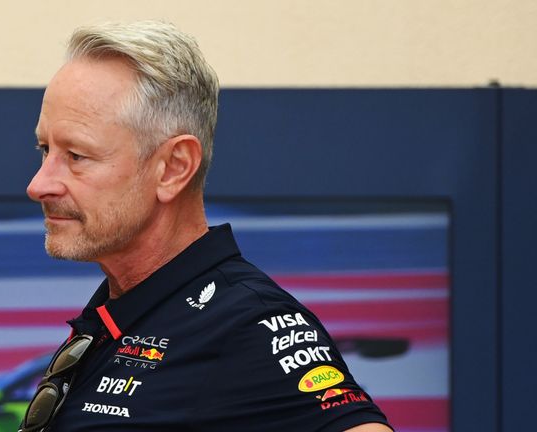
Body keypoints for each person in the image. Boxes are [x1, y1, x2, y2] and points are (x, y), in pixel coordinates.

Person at [20, 20, 393, 432]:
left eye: (76, 155)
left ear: (174, 168)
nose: (39, 184)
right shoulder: (117, 312)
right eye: (44, 149)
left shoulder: (247, 323)